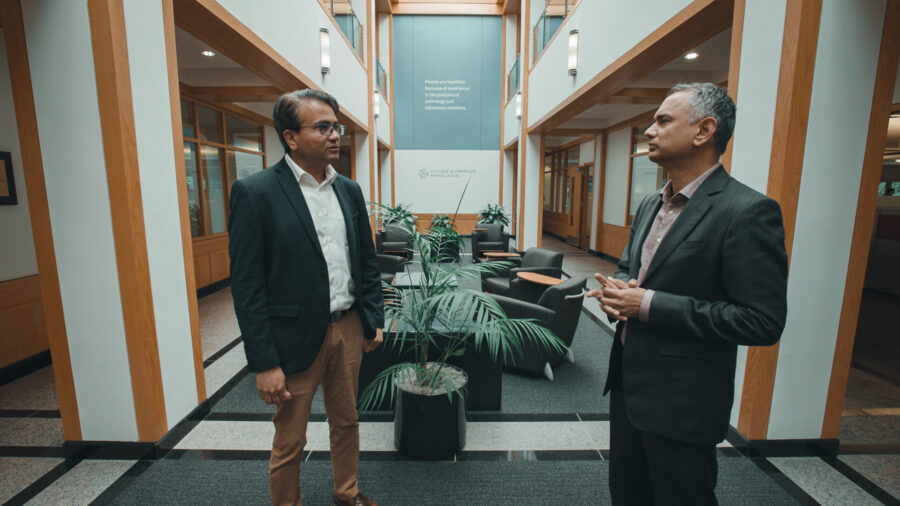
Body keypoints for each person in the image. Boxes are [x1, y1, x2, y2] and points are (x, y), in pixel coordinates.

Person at [588, 82, 788, 505]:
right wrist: (619, 291)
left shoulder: (747, 211)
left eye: (663, 120)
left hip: (684, 403)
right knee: (628, 494)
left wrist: (646, 305)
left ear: (704, 131)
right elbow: (631, 268)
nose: (649, 131)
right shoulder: (650, 204)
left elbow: (761, 320)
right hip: (628, 388)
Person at [229, 89, 384, 506]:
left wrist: (374, 319)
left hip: (348, 327)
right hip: (293, 338)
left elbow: (366, 261)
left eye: (337, 126)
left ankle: (346, 492)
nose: (335, 135)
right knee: (291, 437)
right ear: (291, 137)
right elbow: (247, 287)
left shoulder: (348, 190)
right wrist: (264, 363)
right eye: (323, 127)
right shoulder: (255, 192)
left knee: (347, 421)